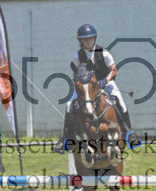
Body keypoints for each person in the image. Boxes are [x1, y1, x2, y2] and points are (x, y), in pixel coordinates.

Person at [55, 23, 141, 153]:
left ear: (95, 38)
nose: (88, 41)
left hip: (106, 83)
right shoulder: (77, 56)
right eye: (85, 39)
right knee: (69, 105)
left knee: (121, 102)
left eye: (91, 38)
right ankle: (65, 140)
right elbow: (77, 74)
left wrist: (104, 81)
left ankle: (130, 134)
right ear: (81, 41)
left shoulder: (104, 53)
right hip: (86, 86)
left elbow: (114, 70)